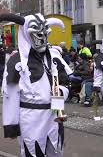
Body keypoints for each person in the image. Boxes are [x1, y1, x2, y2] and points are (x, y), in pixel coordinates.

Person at [1, 13, 66, 156]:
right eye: (37, 33)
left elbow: (64, 81)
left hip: (53, 115)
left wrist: (60, 94)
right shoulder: (17, 62)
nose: (42, 37)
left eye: (44, 32)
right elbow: (10, 95)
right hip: (31, 119)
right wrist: (11, 125)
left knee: (56, 151)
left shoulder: (54, 56)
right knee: (33, 151)